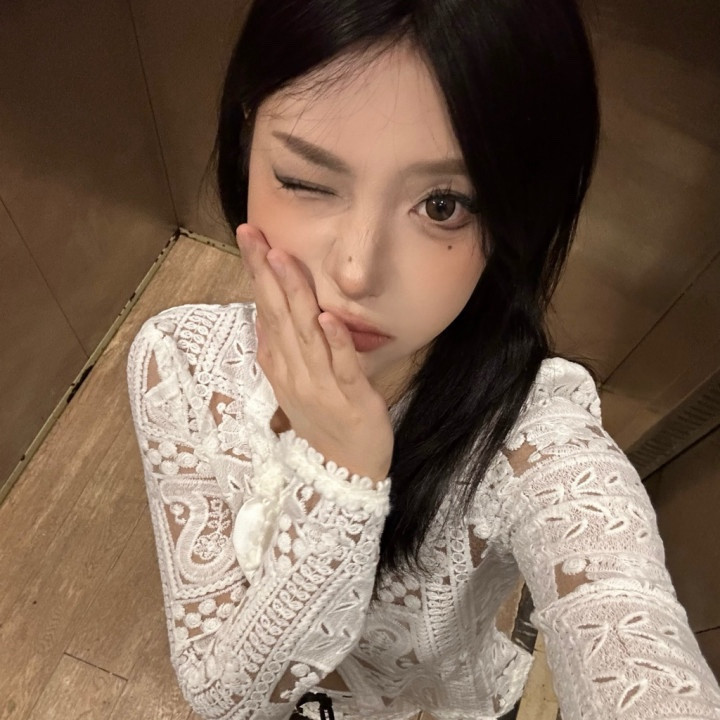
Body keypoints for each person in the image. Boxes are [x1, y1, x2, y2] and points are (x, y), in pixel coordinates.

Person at [126, 0, 720, 718]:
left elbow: (627, 622)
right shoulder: (180, 362)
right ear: (245, 145)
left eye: (443, 205)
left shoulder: (529, 441)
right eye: (307, 180)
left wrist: (344, 473)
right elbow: (223, 694)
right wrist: (337, 481)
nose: (355, 271)